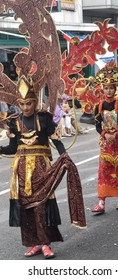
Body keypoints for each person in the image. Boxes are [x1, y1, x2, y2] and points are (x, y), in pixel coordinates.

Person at [0, 76, 86, 259]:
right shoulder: (15, 122)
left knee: (41, 206)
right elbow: (12, 148)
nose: (25, 108)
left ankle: (45, 244)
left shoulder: (44, 119)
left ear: (34, 102)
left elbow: (56, 140)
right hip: (21, 170)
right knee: (26, 208)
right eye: (22, 104)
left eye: (29, 103)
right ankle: (34, 243)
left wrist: (64, 156)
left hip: (41, 168)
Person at [91, 61, 118, 213]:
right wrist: (105, 134)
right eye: (106, 88)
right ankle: (101, 201)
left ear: (116, 88)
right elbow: (97, 126)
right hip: (106, 144)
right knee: (103, 171)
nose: (108, 91)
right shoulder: (99, 106)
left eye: (111, 88)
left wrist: (117, 134)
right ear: (102, 89)